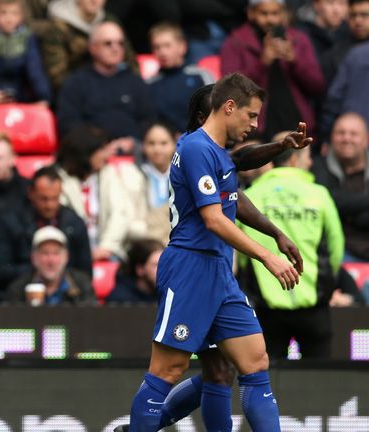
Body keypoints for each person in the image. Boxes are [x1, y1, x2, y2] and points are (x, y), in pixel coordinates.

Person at [116, 82, 310, 432]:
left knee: (253, 361)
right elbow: (214, 218)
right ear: (229, 107)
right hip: (190, 268)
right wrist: (268, 255)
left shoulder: (217, 151)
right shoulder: (195, 148)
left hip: (219, 268)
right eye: (251, 115)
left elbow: (237, 174)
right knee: (167, 371)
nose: (254, 124)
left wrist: (277, 232)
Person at [240, 146, 344, 359]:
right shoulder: (319, 194)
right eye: (307, 157)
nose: (311, 163)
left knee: (266, 377)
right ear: (295, 158)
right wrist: (326, 283)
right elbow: (336, 246)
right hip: (314, 305)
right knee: (320, 379)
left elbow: (241, 254)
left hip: (266, 306)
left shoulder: (249, 197)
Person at [219, 0, 324, 140]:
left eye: (275, 13)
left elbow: (317, 85)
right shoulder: (236, 42)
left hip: (297, 127)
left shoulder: (299, 39)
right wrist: (262, 63)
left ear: (283, 14)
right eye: (264, 13)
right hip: (255, 132)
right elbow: (229, 89)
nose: (270, 19)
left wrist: (295, 61)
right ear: (251, 13)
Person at [0, 166, 92, 298]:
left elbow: (86, 272)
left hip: (66, 298)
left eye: (55, 198)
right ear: (31, 193)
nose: (50, 205)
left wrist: (53, 274)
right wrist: (40, 271)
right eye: (44, 199)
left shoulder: (74, 223)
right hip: (18, 297)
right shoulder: (10, 222)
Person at [56, 21, 156, 152]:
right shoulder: (75, 83)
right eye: (108, 43)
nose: (115, 48)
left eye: (120, 43)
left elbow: (149, 119)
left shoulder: (135, 82)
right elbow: (68, 124)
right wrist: (100, 146)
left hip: (134, 152)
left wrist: (132, 140)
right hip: (91, 155)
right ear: (93, 47)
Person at [55, 124, 146, 261]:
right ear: (86, 153)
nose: (108, 154)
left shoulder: (108, 173)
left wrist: (106, 247)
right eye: (102, 149)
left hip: (108, 251)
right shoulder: (58, 179)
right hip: (70, 254)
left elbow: (120, 214)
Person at [0, 0, 51, 142]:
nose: (9, 18)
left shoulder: (28, 39)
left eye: (14, 13)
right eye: (3, 13)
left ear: (21, 16)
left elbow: (35, 72)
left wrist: (43, 99)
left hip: (22, 98)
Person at [312, 112, 369, 261]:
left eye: (353, 134)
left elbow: (334, 202)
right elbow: (325, 199)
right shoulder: (318, 166)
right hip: (337, 253)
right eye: (341, 133)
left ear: (366, 140)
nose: (346, 138)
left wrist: (345, 210)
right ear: (331, 137)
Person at [147, 22, 214, 133]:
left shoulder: (200, 76)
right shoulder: (150, 84)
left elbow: (215, 113)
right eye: (157, 47)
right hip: (164, 144)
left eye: (167, 45)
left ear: (182, 47)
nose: (162, 52)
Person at [6, 225, 95, 305]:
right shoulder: (18, 289)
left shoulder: (82, 284)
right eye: (45, 253)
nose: (51, 261)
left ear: (66, 257)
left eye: (56, 253)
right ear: (33, 258)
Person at [105, 238, 163, 304]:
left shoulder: (168, 294)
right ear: (140, 269)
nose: (163, 269)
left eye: (166, 264)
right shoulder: (119, 301)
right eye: (156, 265)